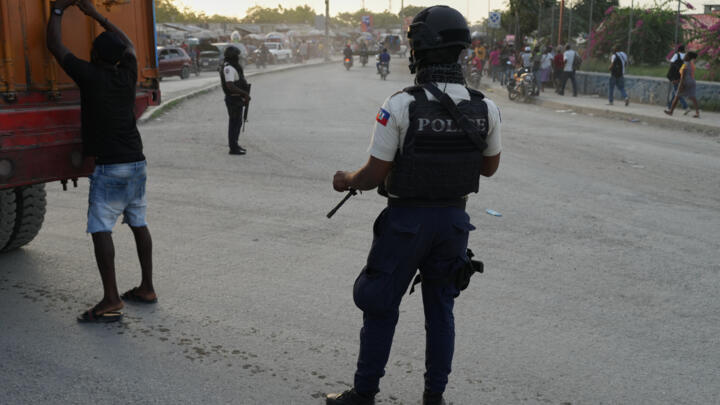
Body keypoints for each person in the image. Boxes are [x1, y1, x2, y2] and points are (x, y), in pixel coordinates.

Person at [326, 6, 502, 405]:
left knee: (380, 306)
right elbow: (489, 169)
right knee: (441, 312)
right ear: (461, 50)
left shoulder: (401, 104)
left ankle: (364, 393)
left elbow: (372, 176)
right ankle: (434, 397)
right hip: (455, 224)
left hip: (406, 223)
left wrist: (345, 181)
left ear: (419, 49)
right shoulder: (485, 107)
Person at [47, 0, 156, 323]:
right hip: (137, 162)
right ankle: (147, 287)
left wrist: (57, 10)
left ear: (95, 56)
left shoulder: (89, 75)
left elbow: (55, 45)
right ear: (120, 59)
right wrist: (95, 14)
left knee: (100, 228)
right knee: (138, 222)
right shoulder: (128, 74)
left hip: (110, 167)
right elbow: (130, 45)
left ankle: (111, 299)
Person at [220, 46, 251, 155]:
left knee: (237, 123)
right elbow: (230, 86)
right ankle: (233, 147)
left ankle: (235, 144)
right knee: (234, 123)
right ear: (232, 56)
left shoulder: (233, 67)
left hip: (237, 98)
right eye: (237, 56)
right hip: (233, 99)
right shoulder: (229, 68)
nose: (238, 58)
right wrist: (244, 93)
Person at [665, 51, 700, 118]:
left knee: (677, 96)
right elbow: (689, 75)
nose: (684, 56)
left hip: (685, 82)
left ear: (688, 57)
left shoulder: (684, 65)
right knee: (693, 97)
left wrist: (680, 85)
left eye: (686, 55)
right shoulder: (691, 64)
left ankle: (671, 112)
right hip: (692, 82)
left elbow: (683, 77)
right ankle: (697, 113)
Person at [666, 45, 688, 111]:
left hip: (675, 76)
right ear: (684, 50)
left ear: (678, 50)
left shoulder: (676, 55)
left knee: (677, 92)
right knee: (675, 91)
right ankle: (670, 105)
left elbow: (671, 63)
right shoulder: (686, 56)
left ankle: (685, 106)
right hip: (682, 75)